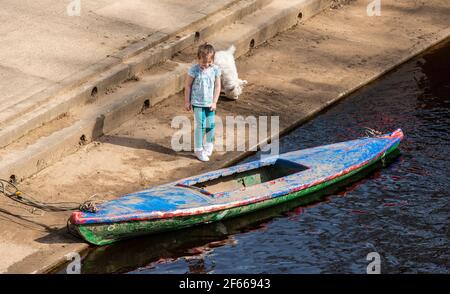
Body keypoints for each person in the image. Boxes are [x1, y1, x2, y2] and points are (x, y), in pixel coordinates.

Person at [184, 43, 221, 162]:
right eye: (203, 62)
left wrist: (214, 102)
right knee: (201, 125)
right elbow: (188, 86)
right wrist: (187, 101)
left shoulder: (215, 69)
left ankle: (208, 145)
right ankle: (198, 149)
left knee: (210, 124)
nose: (206, 65)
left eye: (209, 62)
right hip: (197, 103)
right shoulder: (193, 70)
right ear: (198, 59)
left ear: (213, 59)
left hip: (210, 103)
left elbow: (217, 86)